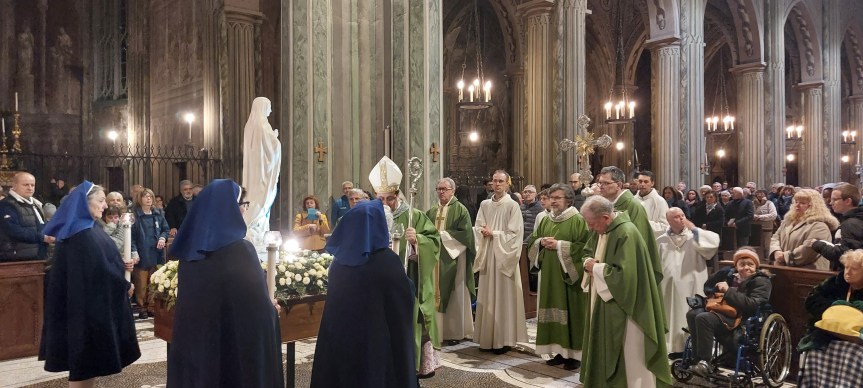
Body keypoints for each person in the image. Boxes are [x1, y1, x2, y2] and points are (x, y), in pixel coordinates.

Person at [167, 179, 283, 387]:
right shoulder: (240, 250)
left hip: (199, 349)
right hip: (234, 352)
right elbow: (257, 312)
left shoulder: (191, 252)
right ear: (228, 208)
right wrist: (271, 310)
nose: (243, 211)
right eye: (242, 205)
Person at [39, 181, 140, 387]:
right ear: (84, 203)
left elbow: (104, 259)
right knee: (83, 362)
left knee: (88, 363)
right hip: (87, 310)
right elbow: (99, 270)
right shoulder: (80, 234)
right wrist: (123, 283)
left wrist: (121, 265)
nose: (105, 206)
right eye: (101, 200)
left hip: (91, 306)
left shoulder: (88, 228)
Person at [311, 199, 417, 388]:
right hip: (375, 346)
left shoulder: (339, 263)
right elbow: (404, 300)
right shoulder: (386, 261)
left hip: (341, 343)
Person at [579, 195, 672, 387]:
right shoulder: (607, 231)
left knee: (630, 355)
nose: (590, 228)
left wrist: (595, 268)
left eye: (592, 223)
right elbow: (592, 253)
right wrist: (588, 262)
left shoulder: (625, 233)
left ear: (605, 217)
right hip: (608, 298)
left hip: (630, 309)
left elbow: (624, 278)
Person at [370, 156, 441, 378]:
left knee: (409, 319)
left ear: (398, 195)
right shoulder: (373, 217)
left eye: (389, 199)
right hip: (380, 281)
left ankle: (415, 364)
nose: (385, 204)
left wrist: (416, 241)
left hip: (409, 278)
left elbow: (434, 242)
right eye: (380, 198)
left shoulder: (415, 216)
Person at [526, 183, 590, 370]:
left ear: (568, 200)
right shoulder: (546, 220)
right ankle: (558, 351)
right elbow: (533, 240)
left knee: (571, 312)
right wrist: (540, 242)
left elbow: (584, 247)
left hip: (568, 277)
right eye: (551, 197)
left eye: (557, 198)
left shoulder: (577, 220)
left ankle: (574, 355)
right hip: (549, 275)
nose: (553, 201)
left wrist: (560, 245)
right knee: (551, 309)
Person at [684, 247, 772, 376]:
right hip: (720, 310)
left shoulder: (761, 280)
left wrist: (729, 292)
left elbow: (752, 305)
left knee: (703, 318)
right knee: (692, 314)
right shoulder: (729, 275)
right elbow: (707, 288)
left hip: (740, 316)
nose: (746, 267)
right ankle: (696, 359)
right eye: (742, 264)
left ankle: (705, 361)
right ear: (736, 265)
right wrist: (716, 288)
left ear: (756, 266)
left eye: (750, 264)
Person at [473, 170, 528, 355]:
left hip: (504, 259)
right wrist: (482, 231)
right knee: (488, 296)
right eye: (494, 181)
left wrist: (494, 234)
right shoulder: (485, 204)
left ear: (507, 184)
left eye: (500, 181)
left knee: (504, 298)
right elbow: (478, 225)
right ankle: (486, 338)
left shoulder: (512, 206)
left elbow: (515, 235)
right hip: (489, 255)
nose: (496, 184)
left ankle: (504, 340)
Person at [657, 208, 719, 354]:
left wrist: (694, 229)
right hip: (668, 287)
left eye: (683, 216)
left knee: (690, 313)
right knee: (669, 314)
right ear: (669, 221)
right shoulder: (661, 240)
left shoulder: (695, 236)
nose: (681, 219)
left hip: (692, 282)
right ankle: (671, 346)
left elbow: (713, 244)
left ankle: (692, 347)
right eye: (677, 217)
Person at [797, 250, 863, 387]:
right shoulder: (837, 282)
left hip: (857, 339)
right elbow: (811, 300)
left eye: (853, 269)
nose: (847, 272)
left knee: (855, 356)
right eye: (846, 267)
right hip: (830, 334)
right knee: (815, 350)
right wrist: (834, 307)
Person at [426, 178, 476, 345]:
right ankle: (437, 330)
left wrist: (442, 236)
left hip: (455, 258)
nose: (441, 192)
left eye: (444, 189)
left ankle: (455, 332)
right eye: (438, 188)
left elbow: (467, 235)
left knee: (455, 292)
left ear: (452, 191)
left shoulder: (461, 210)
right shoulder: (432, 211)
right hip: (435, 258)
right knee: (435, 292)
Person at [596, 166, 665, 285]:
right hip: (606, 262)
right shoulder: (608, 204)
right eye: (600, 183)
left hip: (624, 265)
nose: (601, 186)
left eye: (606, 183)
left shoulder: (632, 205)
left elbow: (637, 240)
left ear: (618, 185)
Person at [241, 96, 282, 248]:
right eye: (269, 106)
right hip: (262, 172)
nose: (270, 110)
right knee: (261, 199)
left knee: (258, 200)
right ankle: (254, 229)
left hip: (255, 172)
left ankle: (255, 229)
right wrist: (276, 140)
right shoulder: (262, 125)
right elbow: (271, 149)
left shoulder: (250, 125)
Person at [770, 189, 838, 270]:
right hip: (784, 269)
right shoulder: (788, 221)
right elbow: (775, 237)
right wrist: (776, 251)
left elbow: (808, 250)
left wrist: (784, 257)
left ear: (813, 206)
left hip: (808, 273)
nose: (797, 205)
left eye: (802, 203)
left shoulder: (819, 226)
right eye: (796, 202)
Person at [130, 188, 171, 319]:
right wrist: (134, 251)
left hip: (156, 253)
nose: (148, 199)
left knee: (154, 280)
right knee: (141, 283)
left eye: (150, 196)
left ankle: (152, 306)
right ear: (140, 199)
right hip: (142, 252)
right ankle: (141, 306)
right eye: (145, 196)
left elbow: (165, 229)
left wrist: (163, 238)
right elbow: (131, 236)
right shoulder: (135, 215)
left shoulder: (158, 213)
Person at [0, 172, 54, 260]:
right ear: (14, 185)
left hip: (38, 254)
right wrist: (43, 238)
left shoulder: (35, 204)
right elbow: (14, 231)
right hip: (17, 256)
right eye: (26, 185)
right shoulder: (6, 205)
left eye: (32, 185)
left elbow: (40, 225)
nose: (30, 188)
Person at [810, 183, 863, 271]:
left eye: (835, 199)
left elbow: (846, 255)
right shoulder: (853, 219)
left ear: (848, 201)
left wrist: (819, 245)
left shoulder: (850, 223)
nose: (831, 203)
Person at [634, 171, 671, 236]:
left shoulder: (660, 201)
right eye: (640, 181)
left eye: (646, 182)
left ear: (652, 183)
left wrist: (643, 223)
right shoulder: (632, 199)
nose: (642, 184)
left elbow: (665, 226)